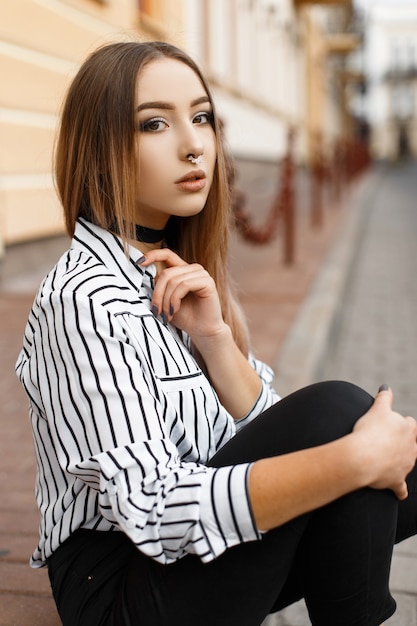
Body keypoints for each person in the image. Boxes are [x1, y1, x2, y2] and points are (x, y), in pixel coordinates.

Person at [15, 40, 417, 626]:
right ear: (99, 149)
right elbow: (153, 512)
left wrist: (216, 342)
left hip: (185, 559)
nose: (194, 144)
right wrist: (350, 462)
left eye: (202, 117)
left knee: (382, 459)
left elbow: (273, 436)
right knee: (346, 424)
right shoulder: (82, 299)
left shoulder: (175, 278)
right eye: (155, 123)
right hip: (122, 589)